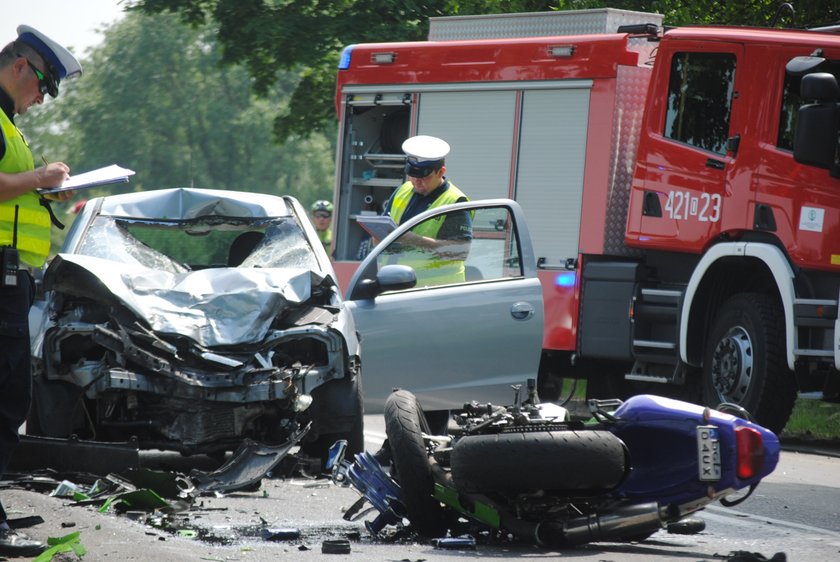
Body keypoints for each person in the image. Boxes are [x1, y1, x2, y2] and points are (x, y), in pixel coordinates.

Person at [0, 25, 82, 557]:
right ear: (20, 67)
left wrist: (53, 191)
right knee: (6, 398)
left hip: (12, 278)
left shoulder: (8, 125)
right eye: (42, 87)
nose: (41, 100)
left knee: (8, 397)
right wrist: (38, 177)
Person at [381, 135, 472, 285]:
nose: (416, 181)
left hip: (435, 293)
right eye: (412, 174)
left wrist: (414, 240)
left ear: (441, 172)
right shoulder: (402, 190)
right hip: (395, 285)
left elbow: (459, 252)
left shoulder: (455, 201)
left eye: (424, 176)